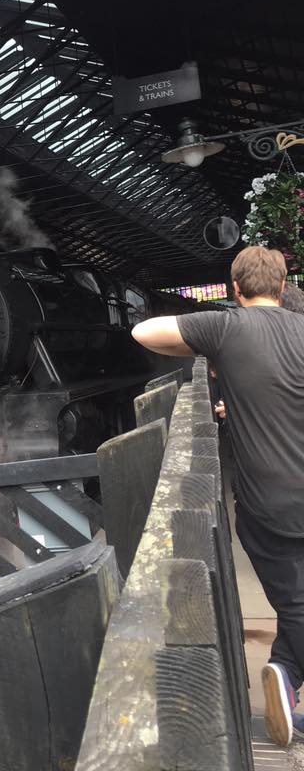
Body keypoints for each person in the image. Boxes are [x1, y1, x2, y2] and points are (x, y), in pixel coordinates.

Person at [131, 246, 304, 748]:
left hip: (267, 503)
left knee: (295, 602)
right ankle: (286, 673)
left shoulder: (225, 328)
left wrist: (209, 348)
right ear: (283, 284)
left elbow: (143, 332)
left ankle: (287, 671)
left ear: (234, 289)